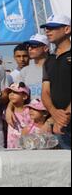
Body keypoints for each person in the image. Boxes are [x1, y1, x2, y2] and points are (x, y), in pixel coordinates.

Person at [41, 15, 71, 149]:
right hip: (59, 123)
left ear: (67, 29)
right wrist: (54, 113)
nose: (47, 31)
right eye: (46, 28)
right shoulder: (49, 60)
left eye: (53, 27)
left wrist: (65, 115)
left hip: (63, 120)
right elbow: (45, 92)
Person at [4, 82, 31, 148]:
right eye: (10, 92)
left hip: (27, 147)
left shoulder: (30, 111)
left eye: (15, 92)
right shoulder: (7, 112)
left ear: (24, 96)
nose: (11, 94)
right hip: (11, 147)